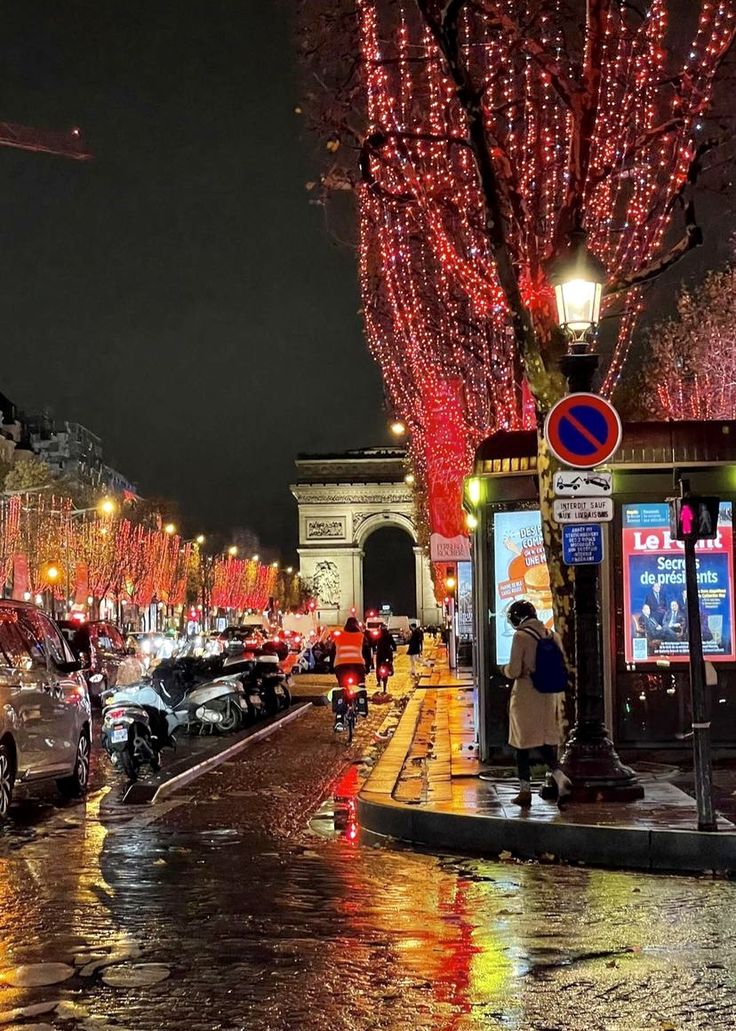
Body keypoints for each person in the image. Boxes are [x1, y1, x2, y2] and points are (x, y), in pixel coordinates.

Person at [502, 600, 571, 808]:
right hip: (547, 696)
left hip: (525, 696)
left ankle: (525, 791)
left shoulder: (520, 637)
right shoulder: (551, 634)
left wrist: (504, 670)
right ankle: (560, 777)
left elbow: (514, 670)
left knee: (521, 745)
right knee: (543, 743)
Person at [332, 616, 368, 731]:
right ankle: (362, 706)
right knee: (360, 686)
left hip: (341, 667)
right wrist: (368, 666)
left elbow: (332, 652)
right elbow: (367, 653)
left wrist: (332, 667)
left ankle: (339, 718)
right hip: (358, 667)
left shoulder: (339, 637)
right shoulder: (361, 636)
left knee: (342, 690)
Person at [374, 622, 396, 689]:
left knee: (378, 667)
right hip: (388, 654)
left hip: (380, 654)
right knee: (389, 664)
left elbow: (373, 643)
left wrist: (374, 648)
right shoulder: (389, 635)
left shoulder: (378, 635)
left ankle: (378, 681)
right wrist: (394, 648)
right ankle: (390, 671)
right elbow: (393, 643)